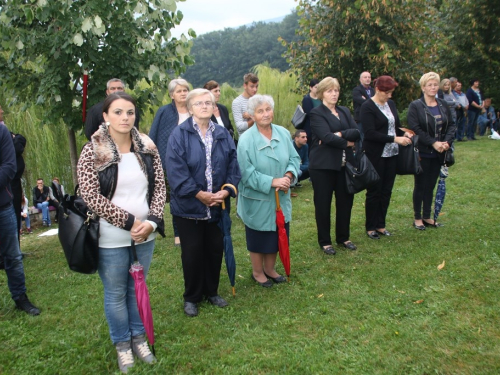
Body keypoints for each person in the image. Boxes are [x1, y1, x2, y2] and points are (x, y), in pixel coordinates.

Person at [77, 92, 166, 373]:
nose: (125, 117)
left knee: (136, 288)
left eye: (130, 112)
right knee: (115, 293)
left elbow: (160, 187)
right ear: (105, 116)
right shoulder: (91, 150)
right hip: (111, 237)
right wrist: (129, 223)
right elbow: (90, 195)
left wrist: (151, 221)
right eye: (117, 112)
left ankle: (139, 338)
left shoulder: (148, 146)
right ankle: (122, 345)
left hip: (145, 234)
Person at [166, 89, 240, 316]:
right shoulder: (179, 135)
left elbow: (233, 163)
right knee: (192, 252)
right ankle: (192, 297)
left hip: (217, 205)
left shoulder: (222, 133)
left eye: (208, 102)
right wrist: (199, 194)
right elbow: (176, 171)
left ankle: (212, 292)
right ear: (189, 108)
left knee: (215, 249)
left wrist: (226, 191)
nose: (205, 106)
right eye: (199, 103)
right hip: (189, 208)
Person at [237, 94, 300, 287]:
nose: (265, 114)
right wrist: (273, 181)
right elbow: (246, 173)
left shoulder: (282, 132)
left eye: (268, 109)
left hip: (281, 197)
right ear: (252, 116)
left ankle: (270, 269)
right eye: (260, 111)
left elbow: (294, 159)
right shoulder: (246, 140)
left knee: (277, 231)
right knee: (259, 236)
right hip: (257, 198)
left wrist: (289, 176)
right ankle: (257, 272)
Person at [309, 77, 360, 254]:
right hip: (323, 167)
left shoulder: (344, 111)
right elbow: (325, 136)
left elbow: (356, 132)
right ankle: (325, 241)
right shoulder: (316, 113)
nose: (334, 94)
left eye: (336, 90)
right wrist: (347, 142)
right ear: (322, 92)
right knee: (323, 204)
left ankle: (343, 237)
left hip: (345, 166)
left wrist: (339, 134)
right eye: (330, 90)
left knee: (346, 202)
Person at [360, 76, 413, 240]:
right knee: (374, 190)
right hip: (376, 154)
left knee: (386, 190)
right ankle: (370, 227)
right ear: (378, 90)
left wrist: (403, 132)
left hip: (392, 154)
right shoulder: (367, 107)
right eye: (387, 92)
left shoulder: (390, 104)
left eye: (391, 92)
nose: (390, 96)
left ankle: (381, 225)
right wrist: (394, 139)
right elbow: (370, 133)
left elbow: (393, 125)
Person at [0, 110, 40, 315]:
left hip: (3, 205)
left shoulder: (2, 131)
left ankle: (20, 297)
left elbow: (9, 166)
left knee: (13, 257)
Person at [407, 72, 456, 230]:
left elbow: (451, 125)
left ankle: (427, 216)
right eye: (430, 85)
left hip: (439, 152)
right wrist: (433, 143)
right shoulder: (416, 106)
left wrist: (446, 142)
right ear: (423, 87)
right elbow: (416, 128)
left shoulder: (443, 104)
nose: (433, 87)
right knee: (420, 185)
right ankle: (417, 218)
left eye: (435, 84)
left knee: (431, 185)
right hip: (423, 152)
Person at [149, 78, 191, 246]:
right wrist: (151, 157)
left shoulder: (193, 109)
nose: (183, 93)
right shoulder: (164, 111)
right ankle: (178, 233)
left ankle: (195, 226)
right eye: (179, 91)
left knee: (195, 193)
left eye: (185, 90)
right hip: (172, 160)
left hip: (194, 159)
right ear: (172, 94)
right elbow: (153, 135)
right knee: (176, 195)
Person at [232, 73, 259, 137]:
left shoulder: (259, 100)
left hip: (260, 139)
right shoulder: (237, 102)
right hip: (246, 141)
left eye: (256, 86)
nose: (255, 89)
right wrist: (255, 118)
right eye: (252, 86)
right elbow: (240, 127)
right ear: (245, 86)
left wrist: (250, 115)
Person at [352, 71, 374, 142]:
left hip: (372, 118)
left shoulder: (373, 90)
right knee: (361, 140)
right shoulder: (356, 90)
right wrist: (371, 101)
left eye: (369, 77)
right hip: (361, 119)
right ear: (360, 79)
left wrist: (366, 99)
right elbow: (362, 102)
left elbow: (377, 103)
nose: (367, 79)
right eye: (365, 77)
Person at [301, 78, 321, 148]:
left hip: (320, 126)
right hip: (310, 128)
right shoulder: (307, 99)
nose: (317, 89)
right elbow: (309, 114)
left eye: (319, 87)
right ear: (311, 88)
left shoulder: (320, 99)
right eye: (315, 87)